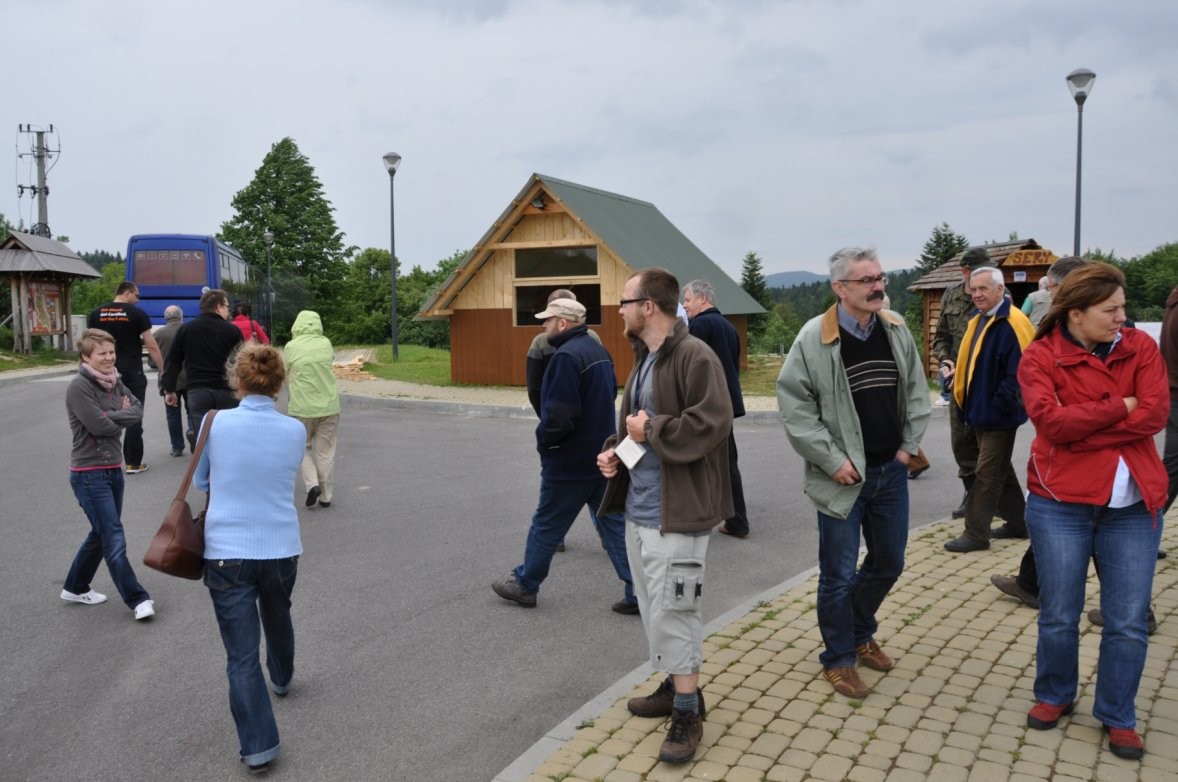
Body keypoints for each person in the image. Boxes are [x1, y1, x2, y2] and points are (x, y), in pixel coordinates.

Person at [1018, 262, 1168, 760]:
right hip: (1061, 503)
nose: (1123, 317)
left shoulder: (1140, 347)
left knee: (1127, 620)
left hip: (1132, 507)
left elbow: (1154, 413)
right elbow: (1052, 425)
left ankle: (1118, 715)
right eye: (1111, 309)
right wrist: (1120, 406)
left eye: (1122, 307)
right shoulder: (1041, 356)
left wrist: (1084, 428)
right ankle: (1055, 694)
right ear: (1076, 314)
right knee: (1060, 613)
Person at [777, 247, 930, 700]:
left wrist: (907, 448)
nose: (878, 287)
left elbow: (916, 391)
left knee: (889, 562)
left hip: (890, 473)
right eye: (867, 280)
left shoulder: (895, 328)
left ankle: (860, 631)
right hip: (840, 477)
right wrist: (832, 461)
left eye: (880, 278)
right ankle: (839, 657)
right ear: (840, 288)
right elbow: (796, 410)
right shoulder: (813, 338)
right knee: (838, 574)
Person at [597, 268, 732, 763]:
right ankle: (676, 685)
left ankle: (687, 712)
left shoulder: (696, 356)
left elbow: (712, 423)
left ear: (648, 306)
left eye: (625, 302)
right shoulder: (646, 359)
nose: (620, 310)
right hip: (640, 511)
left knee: (678, 611)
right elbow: (638, 432)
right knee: (656, 610)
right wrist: (617, 453)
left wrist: (650, 429)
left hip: (681, 515)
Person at [195, 342, 305, 773]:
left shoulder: (214, 423)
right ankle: (281, 675)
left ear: (237, 381)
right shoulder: (294, 430)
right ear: (279, 384)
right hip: (281, 545)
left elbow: (202, 480)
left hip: (227, 549)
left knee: (240, 655)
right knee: (278, 614)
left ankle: (259, 747)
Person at [493, 298, 637, 613]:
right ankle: (638, 590)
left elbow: (559, 415)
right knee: (612, 522)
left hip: (570, 461)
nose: (543, 325)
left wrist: (545, 441)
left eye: (548, 320)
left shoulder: (565, 357)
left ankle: (526, 584)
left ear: (562, 323)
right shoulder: (598, 351)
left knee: (547, 523)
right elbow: (609, 396)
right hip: (602, 456)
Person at [60, 328, 155, 620]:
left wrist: (110, 416)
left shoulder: (116, 381)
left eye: (111, 352)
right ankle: (138, 599)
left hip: (113, 469)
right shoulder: (80, 386)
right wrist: (118, 417)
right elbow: (99, 427)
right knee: (112, 535)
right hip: (89, 474)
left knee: (101, 532)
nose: (109, 358)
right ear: (85, 356)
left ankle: (75, 586)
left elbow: (137, 410)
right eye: (102, 353)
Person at [943, 266, 1035, 552]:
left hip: (998, 415)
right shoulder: (980, 319)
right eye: (974, 289)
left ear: (1000, 289)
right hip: (980, 411)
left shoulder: (1013, 322)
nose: (977, 294)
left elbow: (1020, 375)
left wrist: (997, 406)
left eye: (983, 288)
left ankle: (975, 534)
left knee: (986, 474)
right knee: (999, 470)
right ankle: (1020, 524)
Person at [524, 288, 602, 553]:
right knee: (595, 483)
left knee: (557, 488)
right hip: (585, 428)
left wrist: (547, 425)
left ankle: (554, 538)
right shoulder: (591, 339)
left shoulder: (543, 343)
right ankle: (606, 532)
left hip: (560, 427)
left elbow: (534, 388)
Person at [682, 279, 750, 538]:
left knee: (698, 460)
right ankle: (735, 520)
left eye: (688, 300)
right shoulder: (728, 326)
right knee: (727, 462)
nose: (685, 305)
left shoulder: (699, 326)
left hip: (706, 404)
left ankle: (720, 518)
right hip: (726, 402)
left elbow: (690, 366)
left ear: (702, 298)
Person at [932, 247, 993, 518]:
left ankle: (991, 500)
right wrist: (945, 359)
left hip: (987, 383)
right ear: (966, 272)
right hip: (958, 384)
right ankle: (971, 494)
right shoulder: (951, 295)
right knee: (961, 443)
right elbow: (941, 337)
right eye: (980, 269)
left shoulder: (998, 294)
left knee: (990, 446)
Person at [87, 281, 165, 474]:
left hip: (103, 371)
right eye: (136, 295)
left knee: (99, 415)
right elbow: (151, 345)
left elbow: (89, 344)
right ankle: (133, 463)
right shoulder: (137, 314)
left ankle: (101, 462)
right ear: (127, 292)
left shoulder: (96, 313)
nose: (138, 300)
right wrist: (162, 369)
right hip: (131, 371)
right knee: (133, 415)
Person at [161, 288, 244, 437]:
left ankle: (199, 440)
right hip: (226, 390)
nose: (228, 310)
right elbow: (241, 362)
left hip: (198, 390)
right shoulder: (232, 331)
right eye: (226, 306)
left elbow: (173, 361)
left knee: (202, 434)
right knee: (229, 433)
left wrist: (169, 389)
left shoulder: (186, 329)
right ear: (218, 307)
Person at [285, 310, 340, 509]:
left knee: (302, 448)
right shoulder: (326, 343)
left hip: (301, 408)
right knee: (325, 452)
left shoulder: (291, 347)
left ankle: (312, 484)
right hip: (329, 406)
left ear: (297, 326)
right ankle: (326, 496)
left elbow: (285, 373)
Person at [153, 305, 195, 457]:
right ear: (181, 316)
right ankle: (193, 432)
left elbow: (154, 356)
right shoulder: (190, 330)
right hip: (190, 377)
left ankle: (177, 447)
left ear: (165, 317)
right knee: (192, 410)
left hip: (169, 378)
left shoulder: (158, 334)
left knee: (172, 414)